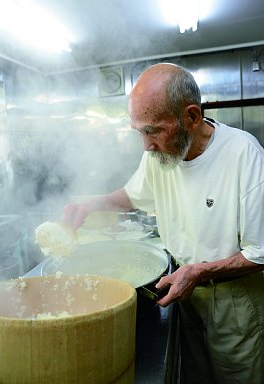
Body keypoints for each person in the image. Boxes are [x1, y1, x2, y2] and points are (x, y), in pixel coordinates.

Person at [62, 63, 264, 384]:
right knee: (195, 374)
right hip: (186, 295)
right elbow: (131, 195)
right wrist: (90, 203)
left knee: (235, 377)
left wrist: (198, 272)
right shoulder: (158, 156)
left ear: (192, 117)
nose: (146, 145)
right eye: (139, 132)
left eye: (153, 130)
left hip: (232, 302)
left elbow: (259, 254)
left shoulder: (244, 155)